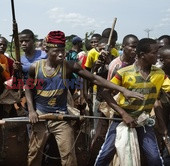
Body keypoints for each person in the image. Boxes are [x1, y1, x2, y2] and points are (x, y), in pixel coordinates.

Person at [26, 30, 144, 166]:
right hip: (41, 117)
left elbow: (95, 78)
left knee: (68, 157)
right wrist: (31, 110)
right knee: (34, 154)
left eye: (63, 50)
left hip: (61, 118)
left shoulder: (69, 66)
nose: (60, 54)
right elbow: (28, 87)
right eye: (56, 51)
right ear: (47, 50)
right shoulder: (35, 68)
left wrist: (123, 89)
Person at [95, 38, 170, 166]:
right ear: (142, 55)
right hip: (121, 119)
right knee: (106, 153)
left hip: (144, 121)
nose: (158, 56)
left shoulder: (160, 74)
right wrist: (123, 114)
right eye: (154, 53)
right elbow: (106, 93)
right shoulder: (124, 73)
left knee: (154, 158)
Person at [88, 34, 139, 165]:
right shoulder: (115, 65)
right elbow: (108, 90)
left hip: (131, 107)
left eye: (136, 47)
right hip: (111, 105)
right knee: (102, 138)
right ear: (123, 47)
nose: (135, 50)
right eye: (132, 47)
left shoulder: (137, 64)